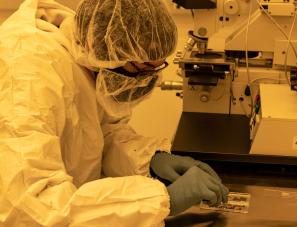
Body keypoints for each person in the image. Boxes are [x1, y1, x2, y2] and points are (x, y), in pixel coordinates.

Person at [0, 0, 228, 226]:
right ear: (101, 46)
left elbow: (100, 135)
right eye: (140, 68)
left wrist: (150, 161)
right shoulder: (26, 77)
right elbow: (31, 207)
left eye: (155, 67)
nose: (146, 80)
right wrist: (159, 200)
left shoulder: (86, 54)